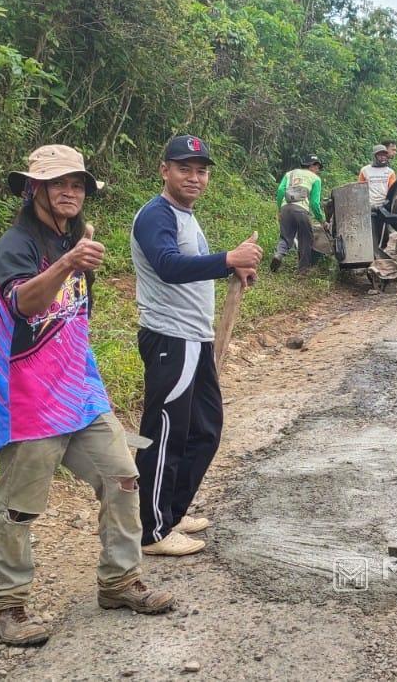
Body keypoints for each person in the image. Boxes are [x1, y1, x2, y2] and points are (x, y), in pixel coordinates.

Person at [0, 144, 175, 645]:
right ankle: (8, 607)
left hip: (79, 393)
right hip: (28, 398)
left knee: (123, 479)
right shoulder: (16, 245)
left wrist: (73, 259)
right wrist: (68, 261)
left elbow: (73, 322)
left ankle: (119, 582)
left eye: (78, 184)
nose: (70, 192)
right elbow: (25, 303)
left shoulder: (76, 242)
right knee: (18, 507)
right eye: (58, 183)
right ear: (34, 189)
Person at [130, 135, 263, 556]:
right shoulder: (156, 215)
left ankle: (170, 508)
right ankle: (151, 530)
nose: (194, 177)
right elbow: (168, 266)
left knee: (203, 430)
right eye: (184, 168)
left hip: (195, 338)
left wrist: (232, 271)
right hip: (171, 338)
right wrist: (227, 258)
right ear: (164, 169)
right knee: (165, 433)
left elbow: (190, 267)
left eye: (201, 170)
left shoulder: (186, 216)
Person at [272, 155, 324, 273]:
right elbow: (315, 203)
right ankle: (303, 269)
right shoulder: (315, 179)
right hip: (301, 210)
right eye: (317, 167)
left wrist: (280, 209)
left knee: (286, 236)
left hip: (286, 208)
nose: (318, 170)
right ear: (312, 166)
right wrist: (321, 220)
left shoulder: (290, 173)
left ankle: (278, 254)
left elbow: (280, 191)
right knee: (306, 238)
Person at [359, 144, 397, 253]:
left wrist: (388, 204)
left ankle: (381, 252)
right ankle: (372, 254)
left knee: (383, 235)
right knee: (370, 233)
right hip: (369, 206)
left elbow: (392, 190)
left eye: (384, 155)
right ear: (375, 156)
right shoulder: (365, 170)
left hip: (383, 207)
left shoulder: (390, 172)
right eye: (380, 155)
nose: (383, 157)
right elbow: (360, 188)